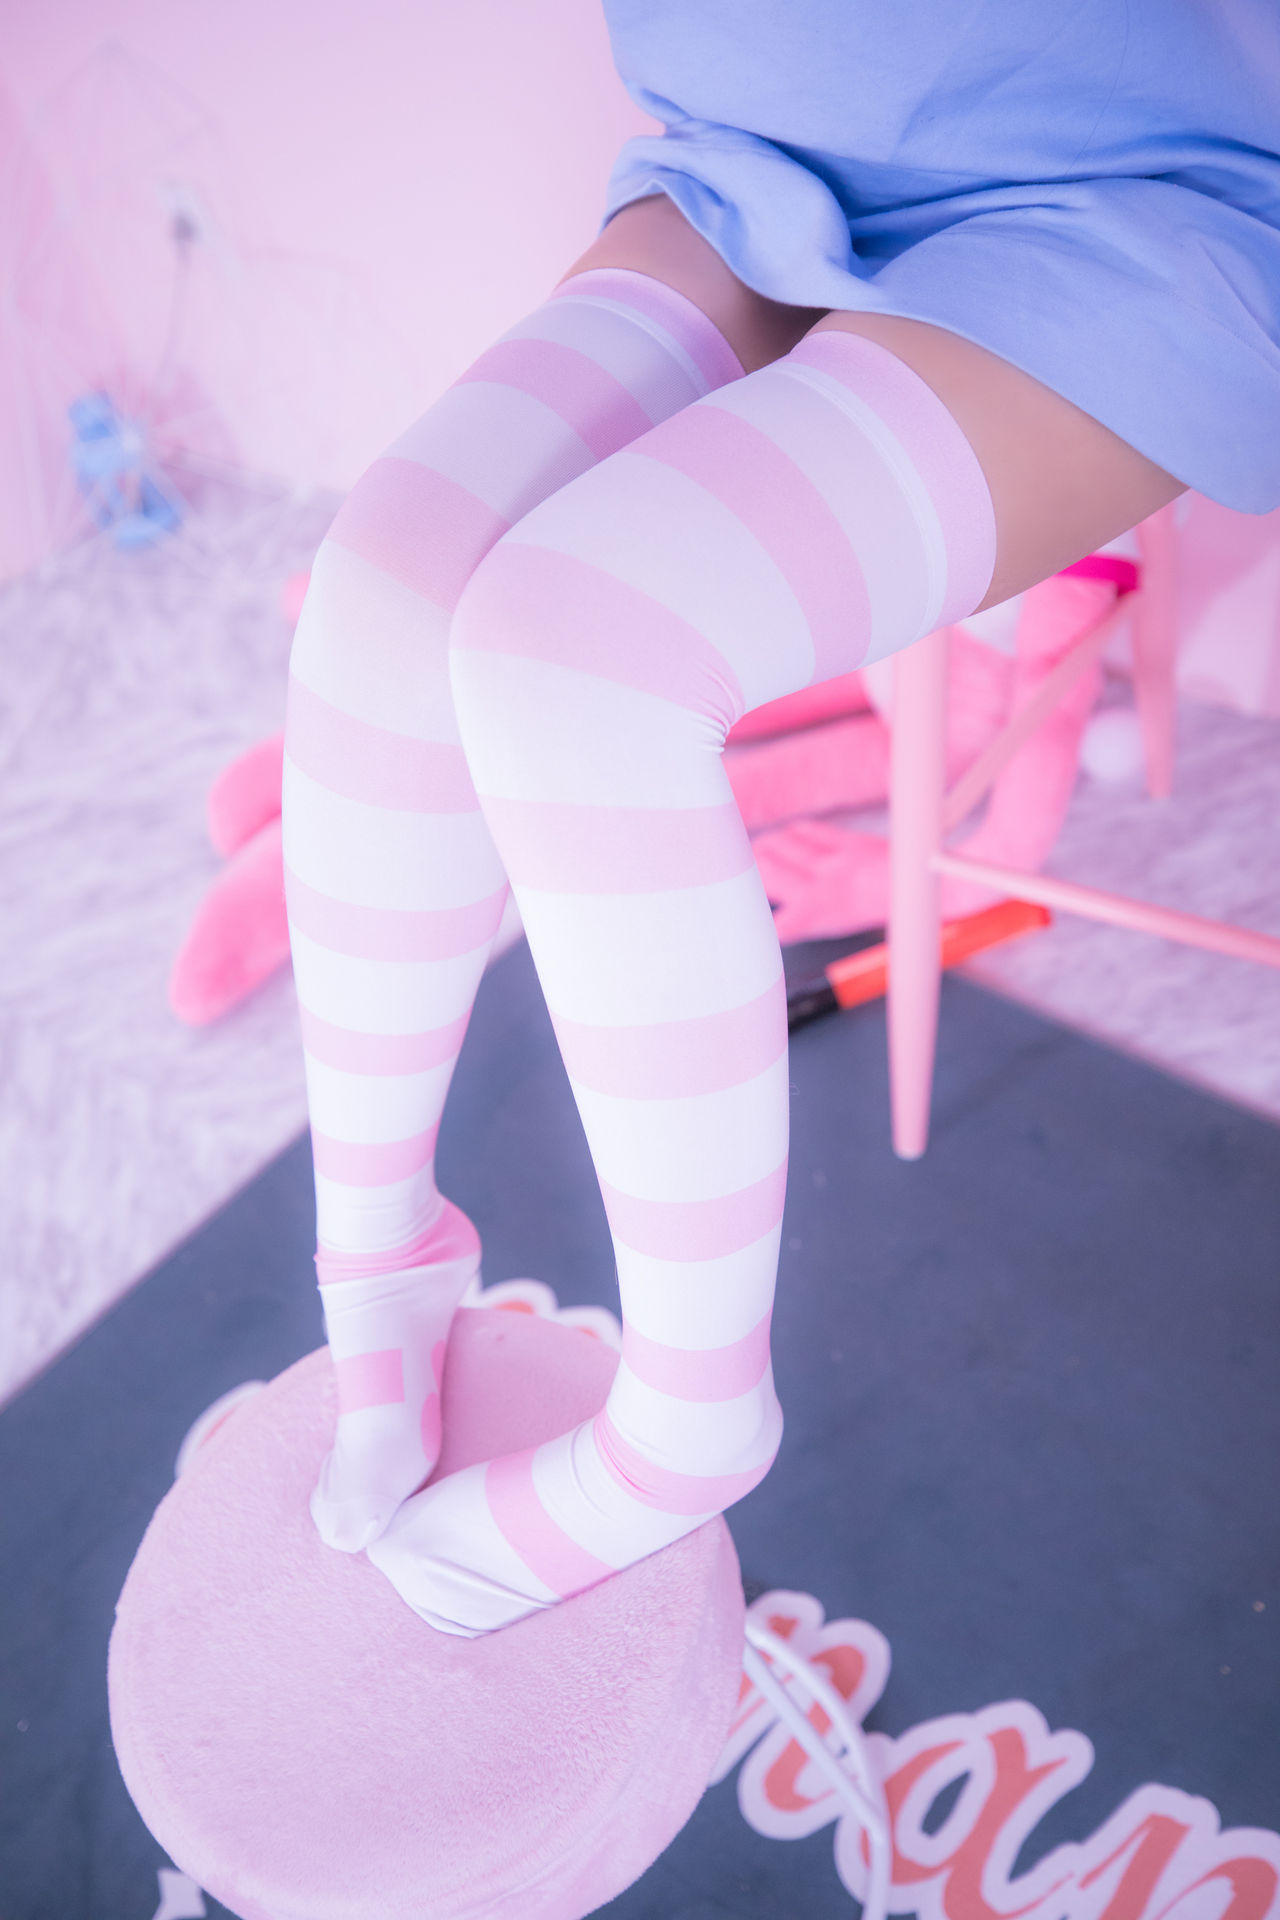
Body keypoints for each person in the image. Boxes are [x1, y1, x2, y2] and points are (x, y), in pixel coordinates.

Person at [282, 2, 1279, 1635]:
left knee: (574, 651)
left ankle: (689, 1422)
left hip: (1124, 195)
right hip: (755, 150)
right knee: (386, 587)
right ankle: (379, 1251)